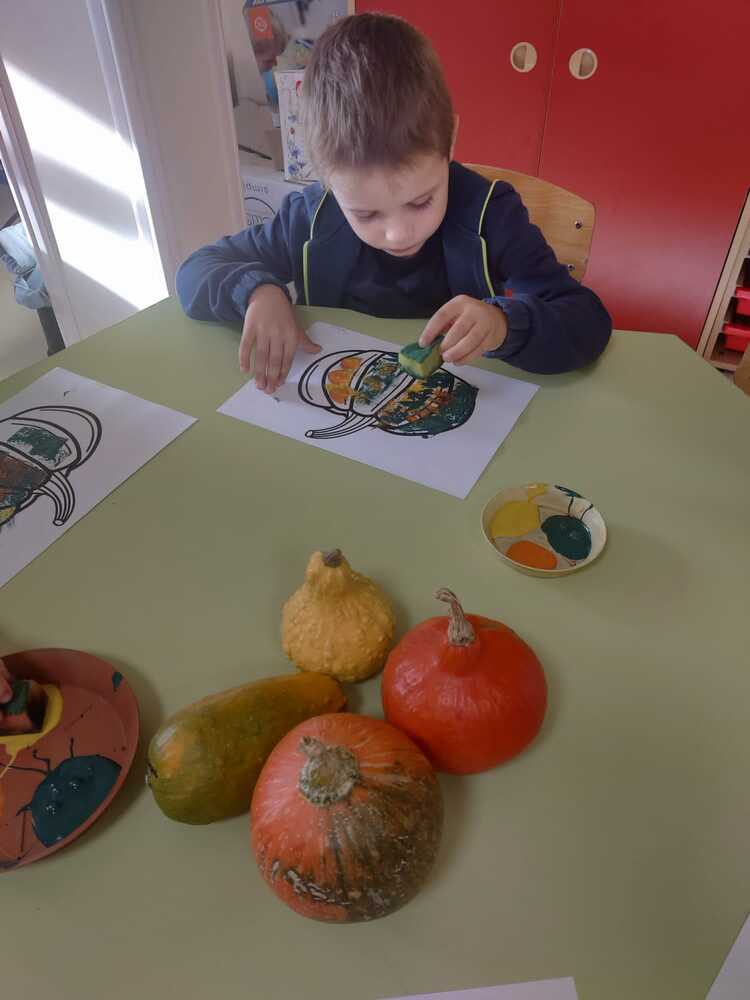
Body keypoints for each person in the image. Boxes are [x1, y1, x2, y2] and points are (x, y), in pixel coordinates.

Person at [176, 13, 612, 394]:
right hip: (342, 396)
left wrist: (504, 324)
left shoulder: (492, 214)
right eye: (366, 213)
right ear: (326, 178)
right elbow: (196, 271)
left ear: (449, 144)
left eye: (421, 201)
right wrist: (258, 292)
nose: (398, 233)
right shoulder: (307, 218)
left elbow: (586, 320)